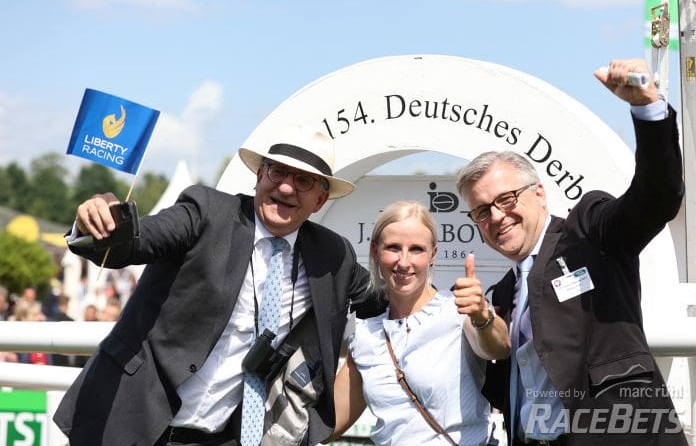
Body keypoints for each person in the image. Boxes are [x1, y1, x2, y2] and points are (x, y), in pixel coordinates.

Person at [53, 126, 382, 446]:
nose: (285, 188)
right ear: (259, 176)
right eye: (277, 172)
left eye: (303, 180)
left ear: (320, 200)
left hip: (223, 438)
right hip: (124, 421)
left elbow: (384, 303)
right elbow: (140, 240)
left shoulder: (332, 256)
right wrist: (102, 223)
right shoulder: (205, 211)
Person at [455, 59, 687, 445]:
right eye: (482, 211)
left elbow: (657, 198)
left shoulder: (587, 231)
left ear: (540, 194)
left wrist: (648, 109)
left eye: (507, 198)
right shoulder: (498, 297)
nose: (498, 216)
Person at [327, 201, 510, 445]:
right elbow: (330, 424)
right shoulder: (365, 335)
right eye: (393, 247)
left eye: (416, 249)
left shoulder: (459, 309)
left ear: (433, 254)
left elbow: (498, 348)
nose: (404, 262)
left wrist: (481, 317)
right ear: (375, 251)